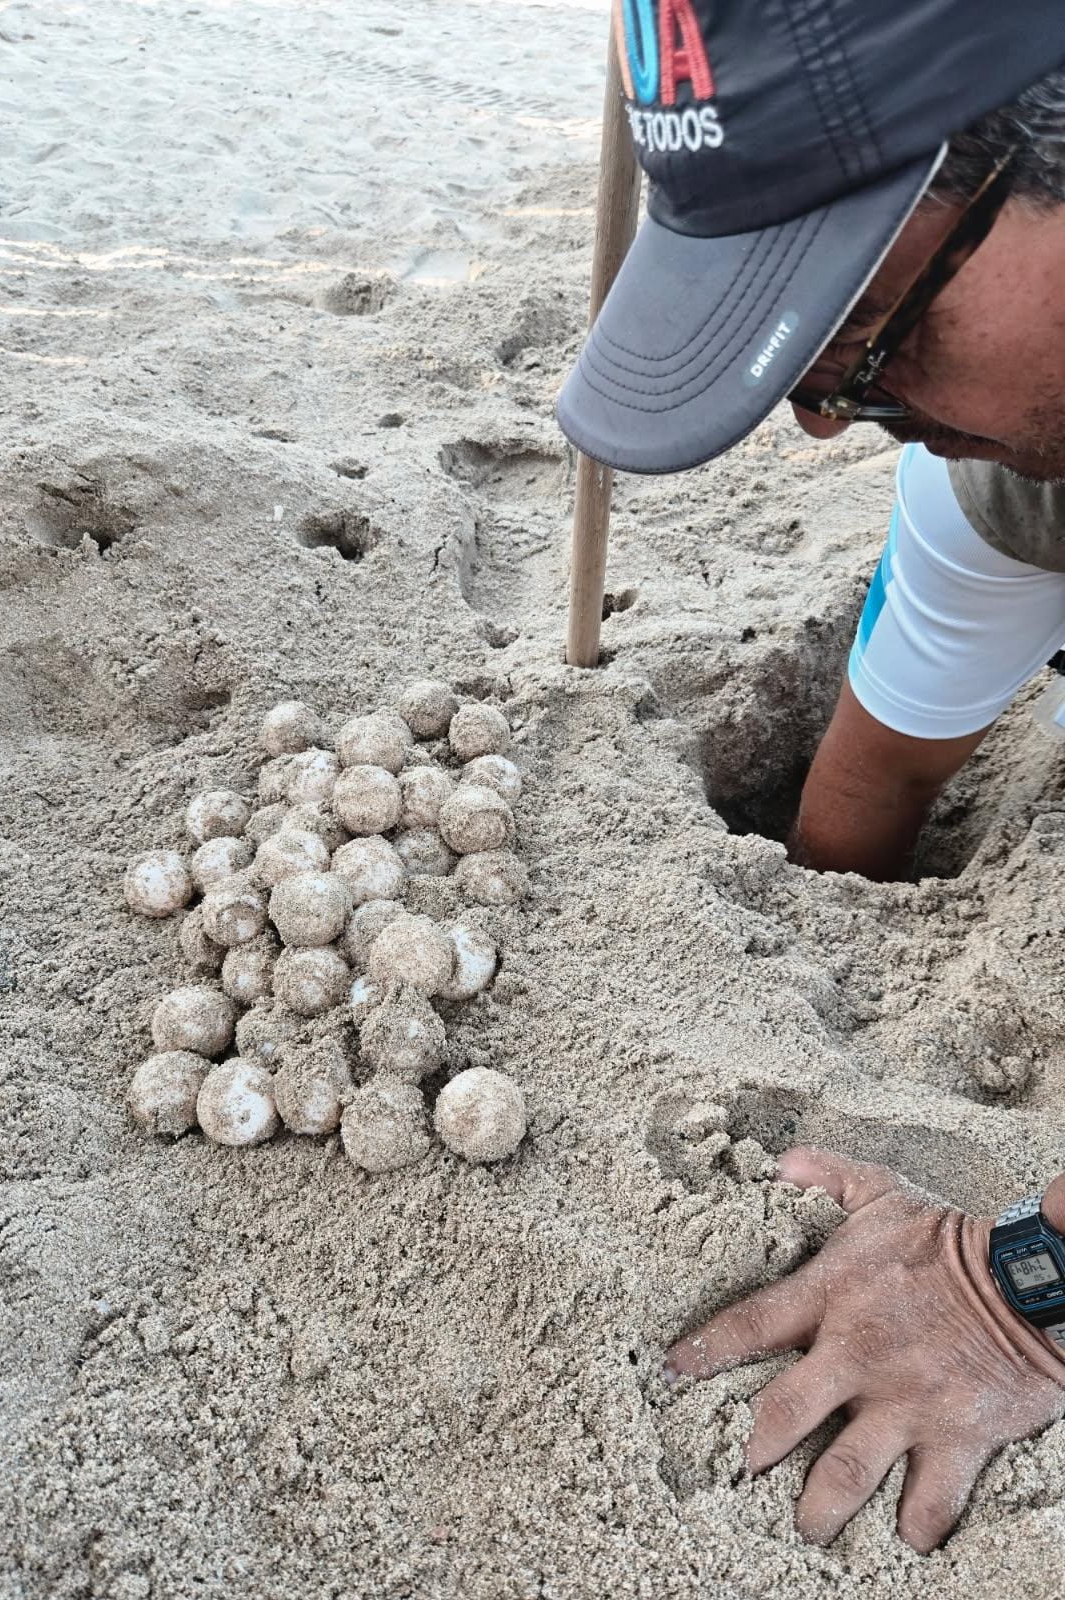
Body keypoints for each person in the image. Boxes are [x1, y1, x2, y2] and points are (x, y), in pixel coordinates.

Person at [557, 0, 1065, 1554]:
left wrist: (1020, 1284)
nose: (834, 415)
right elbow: (887, 756)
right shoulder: (1010, 445)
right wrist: (808, 945)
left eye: (874, 330)